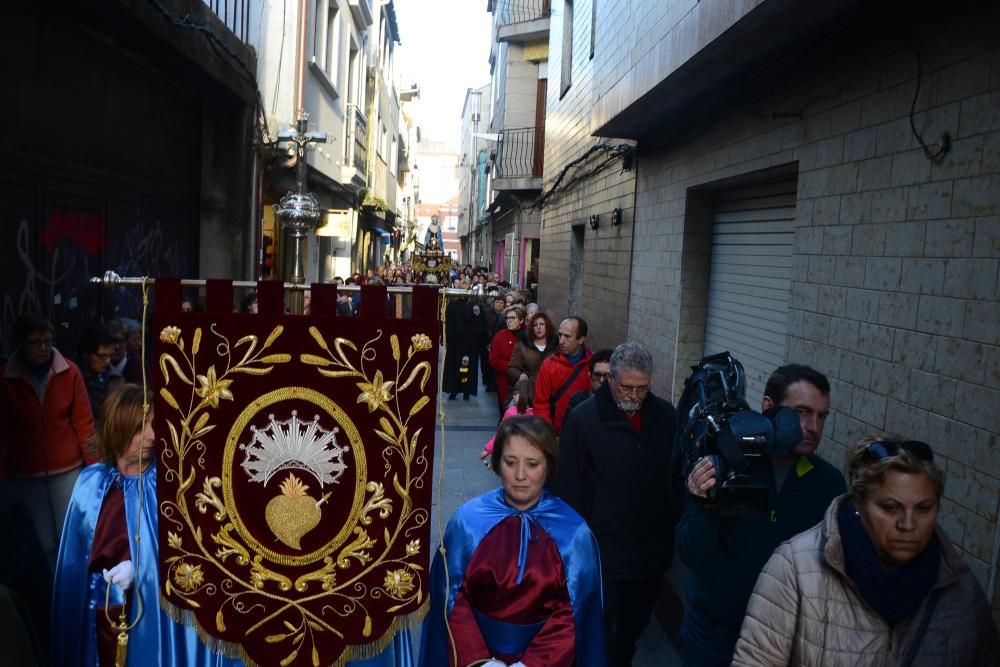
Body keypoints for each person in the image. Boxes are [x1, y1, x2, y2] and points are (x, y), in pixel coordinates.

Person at [53, 385, 414, 667]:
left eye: (153, 425)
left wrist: (144, 569)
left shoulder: (168, 483)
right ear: (118, 429)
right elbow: (74, 562)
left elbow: (189, 554)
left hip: (155, 620)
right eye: (140, 428)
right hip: (100, 615)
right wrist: (102, 582)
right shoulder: (90, 485)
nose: (151, 436)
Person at [732, 438, 1000, 666]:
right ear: (859, 503)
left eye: (923, 508)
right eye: (890, 507)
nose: (908, 525)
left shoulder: (960, 589)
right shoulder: (796, 570)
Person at [677, 364, 846, 667]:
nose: (813, 427)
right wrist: (703, 503)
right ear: (768, 407)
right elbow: (692, 554)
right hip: (712, 634)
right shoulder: (726, 464)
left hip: (778, 641)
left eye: (822, 416)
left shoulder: (829, 484)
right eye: (802, 412)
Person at [419, 415, 606, 667]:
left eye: (532, 464)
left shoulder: (574, 533)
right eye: (510, 462)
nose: (520, 475)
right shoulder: (467, 522)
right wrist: (478, 659)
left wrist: (533, 663)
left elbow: (578, 609)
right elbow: (449, 596)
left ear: (548, 466)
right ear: (497, 463)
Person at [554, 342, 677, 667]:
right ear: (610, 380)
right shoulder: (583, 421)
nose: (635, 396)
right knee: (600, 633)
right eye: (627, 387)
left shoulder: (666, 417)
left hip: (649, 555)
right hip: (602, 556)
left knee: (633, 628)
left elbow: (673, 480)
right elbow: (569, 490)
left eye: (643, 388)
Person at [0, 313, 95, 570]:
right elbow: (4, 432)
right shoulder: (8, 379)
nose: (43, 348)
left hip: (67, 467)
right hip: (25, 473)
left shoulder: (68, 371)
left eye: (48, 341)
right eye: (35, 342)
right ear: (22, 343)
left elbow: (84, 424)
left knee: (73, 533)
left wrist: (96, 466)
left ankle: (74, 589)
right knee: (43, 541)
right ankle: (52, 595)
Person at [533, 317, 592, 436]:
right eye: (560, 335)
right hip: (557, 435)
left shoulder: (593, 364)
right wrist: (548, 433)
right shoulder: (548, 365)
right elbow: (540, 403)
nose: (561, 341)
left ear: (581, 339)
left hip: (587, 434)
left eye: (567, 336)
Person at [480, 378, 535, 465]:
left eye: (516, 393)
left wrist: (488, 450)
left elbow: (501, 434)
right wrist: (488, 449)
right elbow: (501, 433)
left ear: (524, 394)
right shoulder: (513, 412)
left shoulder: (513, 413)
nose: (513, 396)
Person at [77, 324, 123, 424]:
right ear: (85, 353)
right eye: (102, 356)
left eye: (110, 356)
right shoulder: (76, 379)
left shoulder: (116, 377)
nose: (108, 361)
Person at [488, 305, 526, 413]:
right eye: (507, 318)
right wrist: (512, 368)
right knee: (506, 411)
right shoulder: (500, 336)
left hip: (526, 382)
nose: (508, 321)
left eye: (512, 318)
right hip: (506, 381)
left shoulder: (528, 336)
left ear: (521, 320)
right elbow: (493, 360)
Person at [506, 311, 557, 386]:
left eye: (542, 324)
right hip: (529, 388)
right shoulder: (522, 345)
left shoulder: (556, 345)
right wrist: (520, 375)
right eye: (535, 325)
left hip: (551, 387)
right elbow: (512, 367)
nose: (538, 328)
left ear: (548, 326)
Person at [563, 348, 613, 422]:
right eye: (597, 375)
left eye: (607, 376)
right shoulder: (577, 401)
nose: (601, 380)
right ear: (589, 375)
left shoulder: (620, 403)